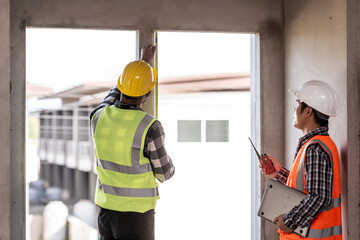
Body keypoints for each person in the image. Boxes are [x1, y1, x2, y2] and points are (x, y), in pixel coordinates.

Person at [90, 45, 175, 240]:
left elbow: (112, 95)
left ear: (121, 85)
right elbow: (164, 173)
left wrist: (142, 63)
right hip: (136, 217)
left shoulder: (98, 116)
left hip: (105, 213)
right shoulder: (150, 127)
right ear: (149, 93)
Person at [261, 80, 342, 240]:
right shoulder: (316, 144)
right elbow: (306, 188)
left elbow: (319, 196)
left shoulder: (315, 148)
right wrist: (279, 173)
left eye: (298, 104)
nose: (294, 109)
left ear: (308, 112)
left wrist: (289, 220)